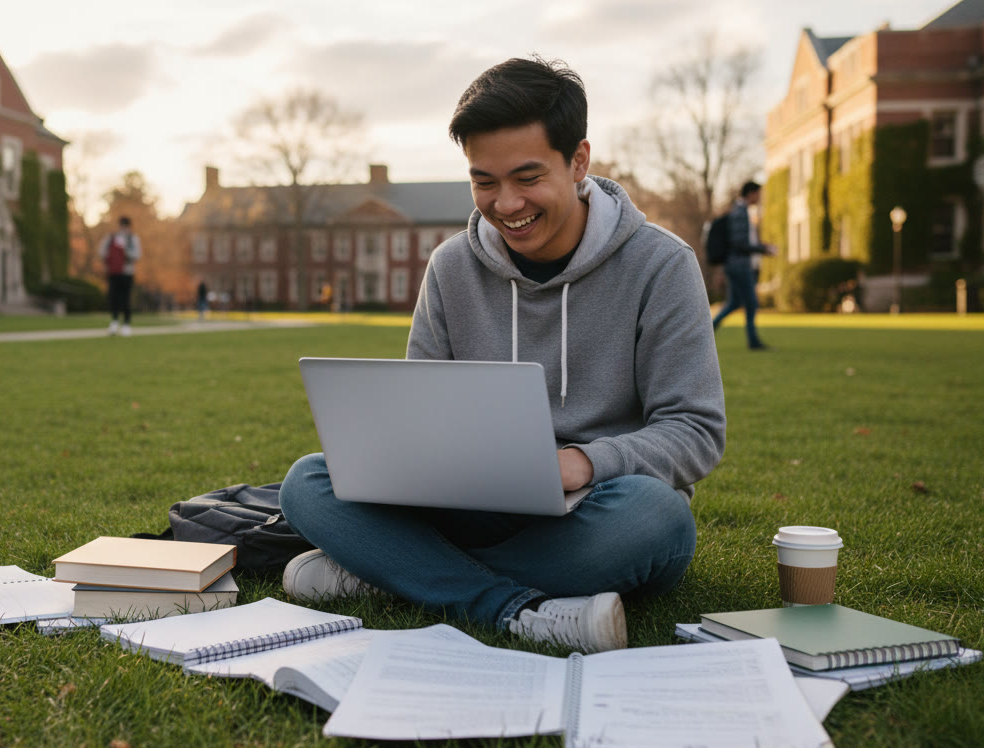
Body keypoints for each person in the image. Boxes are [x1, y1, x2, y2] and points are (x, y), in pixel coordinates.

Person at [277, 56, 726, 654]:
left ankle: (398, 573)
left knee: (656, 519)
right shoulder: (451, 267)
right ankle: (512, 608)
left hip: (598, 508)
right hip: (470, 502)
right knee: (308, 481)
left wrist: (581, 463)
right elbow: (421, 415)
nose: (507, 203)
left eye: (527, 177)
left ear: (580, 162)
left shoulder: (661, 265)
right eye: (484, 182)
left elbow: (695, 430)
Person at [711, 181, 776, 350]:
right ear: (751, 194)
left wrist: (761, 246)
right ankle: (753, 342)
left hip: (735, 264)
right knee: (752, 303)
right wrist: (763, 249)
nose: (760, 198)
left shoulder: (740, 210)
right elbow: (739, 243)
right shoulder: (740, 212)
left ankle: (706, 332)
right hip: (739, 265)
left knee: (733, 304)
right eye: (758, 194)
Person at [102, 216, 142, 337]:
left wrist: (124, 251)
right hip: (114, 272)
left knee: (125, 298)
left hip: (127, 273)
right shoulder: (111, 237)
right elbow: (102, 251)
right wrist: (111, 255)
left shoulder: (132, 239)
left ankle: (126, 324)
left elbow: (137, 255)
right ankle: (114, 321)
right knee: (113, 297)